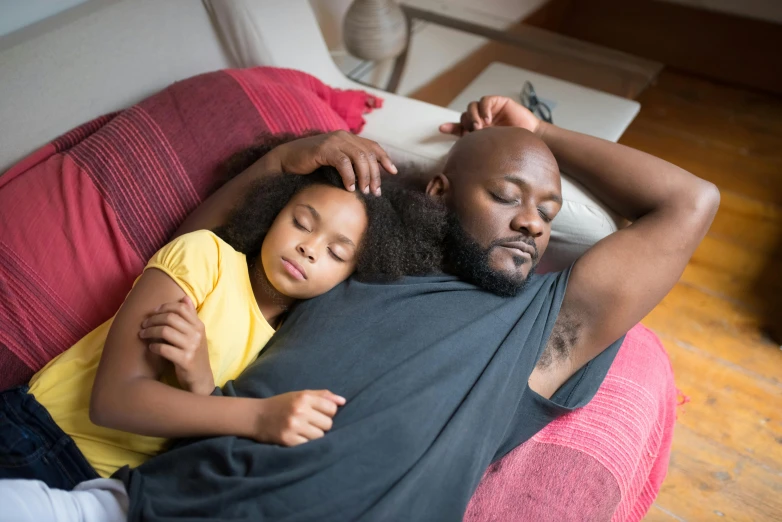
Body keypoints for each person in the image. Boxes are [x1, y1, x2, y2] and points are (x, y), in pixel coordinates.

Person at [0, 96, 719, 522]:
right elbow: (200, 253)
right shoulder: (343, 268)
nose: (534, 222)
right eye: (507, 196)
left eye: (547, 211)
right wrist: (279, 165)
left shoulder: (538, 330)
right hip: (137, 508)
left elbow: (689, 203)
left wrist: (538, 135)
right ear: (439, 195)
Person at [0, 135, 446, 489]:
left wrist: (201, 382)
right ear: (273, 210)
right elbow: (114, 401)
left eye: (335, 251)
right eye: (302, 223)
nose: (309, 249)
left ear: (355, 272)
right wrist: (258, 418)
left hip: (110, 491)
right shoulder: (205, 258)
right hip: (37, 435)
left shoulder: (293, 343)